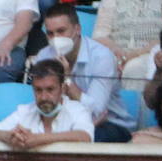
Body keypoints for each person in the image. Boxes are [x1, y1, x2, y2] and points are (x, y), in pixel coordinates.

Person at [33, 3, 134, 142]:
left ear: (77, 29)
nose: (55, 38)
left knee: (84, 140)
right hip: (63, 123)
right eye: (50, 33)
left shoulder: (102, 56)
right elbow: (44, 102)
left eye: (61, 31)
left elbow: (96, 111)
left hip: (109, 124)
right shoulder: (44, 56)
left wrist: (66, 79)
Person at [0, 57, 94, 146]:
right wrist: (10, 137)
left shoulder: (77, 109)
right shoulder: (25, 111)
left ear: (63, 88)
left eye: (50, 89)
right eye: (38, 90)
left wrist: (37, 139)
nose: (44, 97)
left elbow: (84, 137)